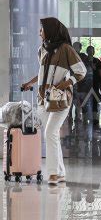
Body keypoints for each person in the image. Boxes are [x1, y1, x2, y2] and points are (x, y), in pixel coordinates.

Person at [22, 17, 87, 185]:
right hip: (43, 98)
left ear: (50, 30)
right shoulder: (42, 50)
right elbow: (43, 73)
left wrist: (64, 84)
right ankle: (61, 172)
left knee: (50, 132)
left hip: (60, 99)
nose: (39, 33)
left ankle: (52, 174)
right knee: (52, 135)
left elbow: (81, 71)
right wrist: (30, 82)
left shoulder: (66, 49)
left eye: (42, 29)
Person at [86, 45, 101, 124]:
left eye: (92, 50)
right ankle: (84, 117)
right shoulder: (84, 60)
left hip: (95, 83)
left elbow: (97, 70)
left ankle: (95, 117)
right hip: (85, 84)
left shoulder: (96, 60)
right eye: (89, 50)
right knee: (85, 99)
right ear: (87, 51)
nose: (90, 52)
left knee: (95, 100)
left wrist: (92, 63)